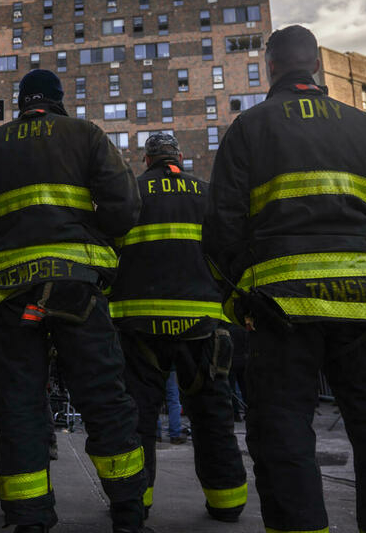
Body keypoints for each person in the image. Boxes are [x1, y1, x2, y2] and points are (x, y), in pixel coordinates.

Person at [203, 25, 366, 533]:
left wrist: (239, 292)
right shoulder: (364, 128)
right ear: (315, 66)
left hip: (281, 305)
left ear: (271, 66)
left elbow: (222, 224)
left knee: (283, 427)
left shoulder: (251, 126)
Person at [0, 69, 149, 533]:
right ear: (59, 100)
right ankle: (128, 511)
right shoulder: (86, 135)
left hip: (11, 292)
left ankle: (30, 516)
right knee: (103, 396)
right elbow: (124, 205)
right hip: (76, 283)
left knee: (18, 403)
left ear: (21, 103)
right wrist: (101, 244)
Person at [109, 133, 248, 523]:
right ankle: (227, 502)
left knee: (137, 419)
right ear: (180, 158)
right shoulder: (207, 194)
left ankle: (136, 503)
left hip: (139, 324)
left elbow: (109, 253)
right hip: (202, 324)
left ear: (146, 158)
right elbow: (230, 252)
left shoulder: (131, 193)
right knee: (212, 414)